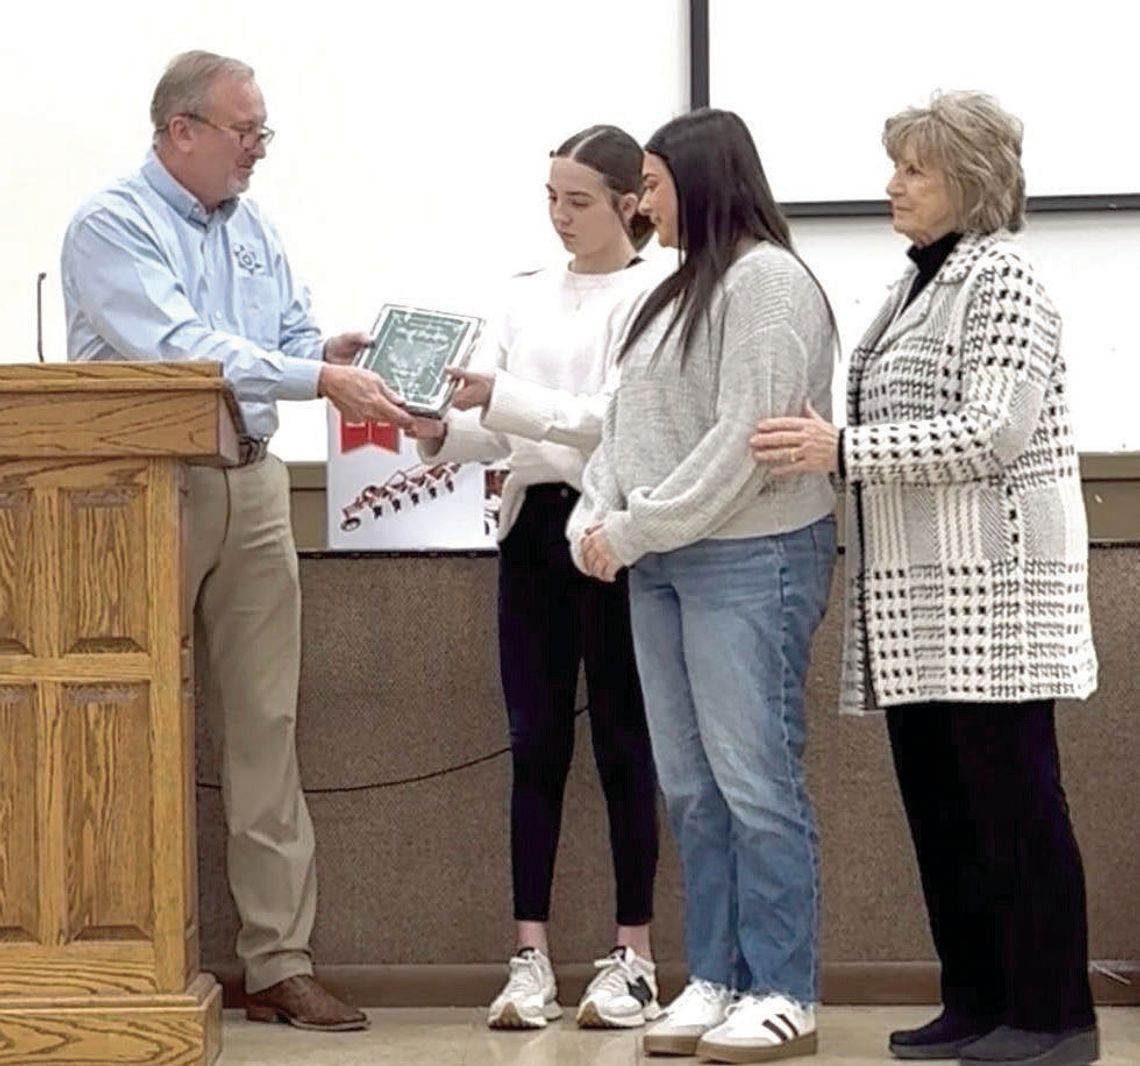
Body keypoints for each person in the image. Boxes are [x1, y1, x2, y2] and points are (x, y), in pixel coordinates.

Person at [60, 49, 410, 1032]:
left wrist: (323, 355)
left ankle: (278, 962)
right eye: (244, 131)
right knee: (117, 717)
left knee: (266, 725)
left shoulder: (253, 227)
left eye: (263, 132)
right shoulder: (111, 224)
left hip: (253, 481)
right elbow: (180, 352)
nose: (258, 150)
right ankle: (114, 953)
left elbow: (283, 337)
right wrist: (313, 379)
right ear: (181, 131)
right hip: (138, 493)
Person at [751, 91, 1099, 1066]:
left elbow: (994, 431)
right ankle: (977, 1000)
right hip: (918, 602)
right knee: (945, 812)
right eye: (897, 165)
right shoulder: (915, 284)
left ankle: (1054, 1016)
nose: (892, 185)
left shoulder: (1006, 280)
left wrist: (842, 448)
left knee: (1016, 810)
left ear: (970, 181)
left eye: (915, 169)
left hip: (998, 596)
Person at [567, 108, 837, 1063]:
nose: (642, 203)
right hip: (664, 563)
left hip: (750, 558)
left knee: (756, 781)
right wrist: (593, 516)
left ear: (703, 179)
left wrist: (632, 530)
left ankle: (784, 989)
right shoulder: (675, 289)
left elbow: (745, 441)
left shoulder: (769, 283)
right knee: (691, 787)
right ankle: (717, 975)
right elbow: (622, 426)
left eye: (651, 184)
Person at [410, 125, 664, 1031]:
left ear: (630, 202)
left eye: (579, 200)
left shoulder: (655, 295)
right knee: (535, 744)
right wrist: (439, 429)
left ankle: (635, 956)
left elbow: (614, 423)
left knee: (626, 744)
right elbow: (505, 431)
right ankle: (530, 957)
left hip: (614, 533)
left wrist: (504, 401)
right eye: (552, 198)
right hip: (533, 535)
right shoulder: (522, 296)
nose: (560, 216)